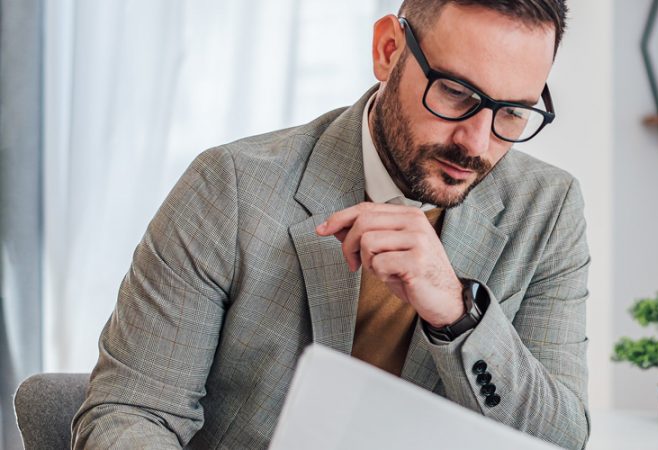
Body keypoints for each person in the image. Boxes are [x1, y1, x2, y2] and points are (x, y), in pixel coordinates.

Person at [72, 1, 589, 448]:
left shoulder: (547, 208)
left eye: (514, 113)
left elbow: (559, 440)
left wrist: (458, 313)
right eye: (455, 93)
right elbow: (132, 413)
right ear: (388, 50)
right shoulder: (229, 188)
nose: (477, 144)